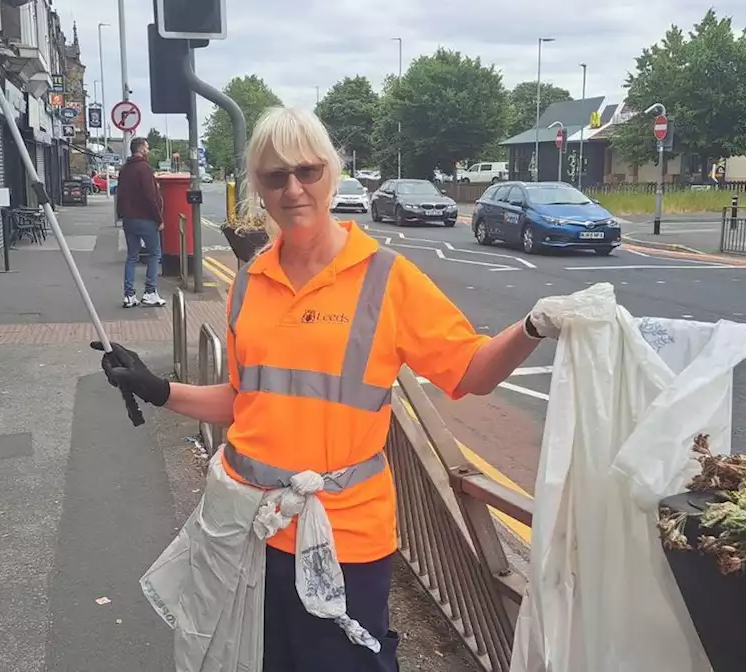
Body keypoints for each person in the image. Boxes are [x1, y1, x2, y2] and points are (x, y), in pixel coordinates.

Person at [92, 107, 565, 672]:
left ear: (332, 174)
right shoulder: (250, 281)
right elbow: (247, 403)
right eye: (275, 176)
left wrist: (532, 326)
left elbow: (471, 374)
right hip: (248, 528)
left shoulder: (386, 278)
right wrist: (157, 388)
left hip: (344, 537)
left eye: (308, 171)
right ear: (258, 191)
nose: (293, 188)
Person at [115, 137, 166, 307]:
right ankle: (150, 292)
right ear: (142, 149)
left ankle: (129, 296)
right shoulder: (144, 169)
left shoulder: (124, 169)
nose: (149, 150)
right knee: (154, 254)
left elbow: (120, 195)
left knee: (131, 256)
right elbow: (150, 197)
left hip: (128, 220)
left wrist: (121, 215)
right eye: (147, 147)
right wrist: (159, 218)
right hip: (145, 219)